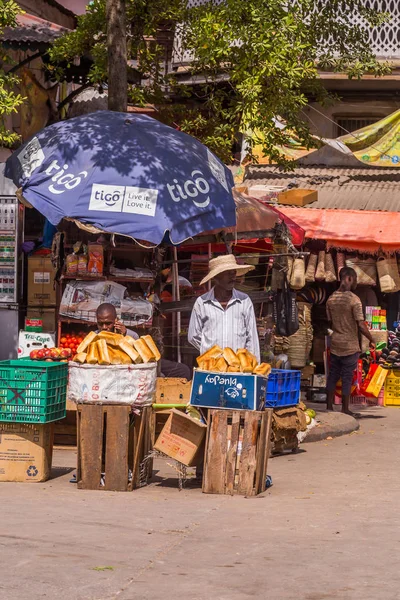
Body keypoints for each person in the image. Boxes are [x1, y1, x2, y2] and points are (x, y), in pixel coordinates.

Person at [188, 254, 260, 361]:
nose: (233, 277)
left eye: (234, 272)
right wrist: (210, 352)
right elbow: (193, 336)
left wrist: (252, 366)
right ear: (216, 277)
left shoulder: (244, 301)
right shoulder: (202, 303)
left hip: (237, 366)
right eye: (228, 273)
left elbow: (252, 338)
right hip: (212, 365)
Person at [326, 267, 375, 415]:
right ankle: (345, 409)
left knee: (333, 374)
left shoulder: (331, 299)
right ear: (349, 278)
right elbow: (360, 324)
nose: (356, 283)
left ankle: (329, 407)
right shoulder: (354, 300)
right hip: (350, 345)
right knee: (347, 376)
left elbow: (329, 324)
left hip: (335, 344)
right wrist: (372, 339)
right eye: (355, 279)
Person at [96, 303, 191, 380]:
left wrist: (124, 335)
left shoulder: (131, 335)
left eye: (108, 323)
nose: (104, 327)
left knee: (183, 370)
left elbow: (142, 357)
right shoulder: (94, 338)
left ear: (116, 321)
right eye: (101, 324)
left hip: (142, 366)